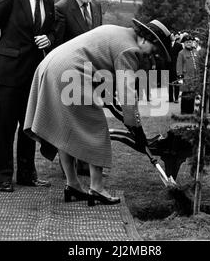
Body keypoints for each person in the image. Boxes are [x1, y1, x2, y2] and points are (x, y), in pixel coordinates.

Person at [23, 19, 172, 206]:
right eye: (155, 50)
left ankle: (73, 185)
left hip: (52, 66)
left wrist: (126, 117)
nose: (152, 55)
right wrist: (137, 128)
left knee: (65, 128)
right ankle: (97, 188)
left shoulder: (117, 31)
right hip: (70, 72)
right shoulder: (130, 50)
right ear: (144, 40)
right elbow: (127, 94)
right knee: (96, 129)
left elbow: (104, 79)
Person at [0, 0, 66, 193]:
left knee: (30, 125)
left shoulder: (48, 3)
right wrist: (0, 53)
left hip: (33, 74)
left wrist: (47, 39)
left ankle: (27, 174)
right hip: (8, 74)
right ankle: (3, 177)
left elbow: (52, 33)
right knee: (7, 127)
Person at [54, 0, 102, 176]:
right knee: (70, 122)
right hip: (70, 72)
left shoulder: (98, 6)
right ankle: (69, 167)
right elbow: (57, 45)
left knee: (87, 120)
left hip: (91, 73)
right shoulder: (62, 8)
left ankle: (84, 163)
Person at [176, 34, 199, 114]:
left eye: (190, 42)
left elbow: (197, 64)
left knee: (192, 93)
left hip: (194, 77)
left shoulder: (195, 52)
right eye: (187, 42)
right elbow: (179, 65)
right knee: (185, 93)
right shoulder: (181, 53)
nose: (189, 44)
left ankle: (191, 110)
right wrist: (180, 77)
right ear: (184, 43)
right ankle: (184, 110)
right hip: (186, 76)